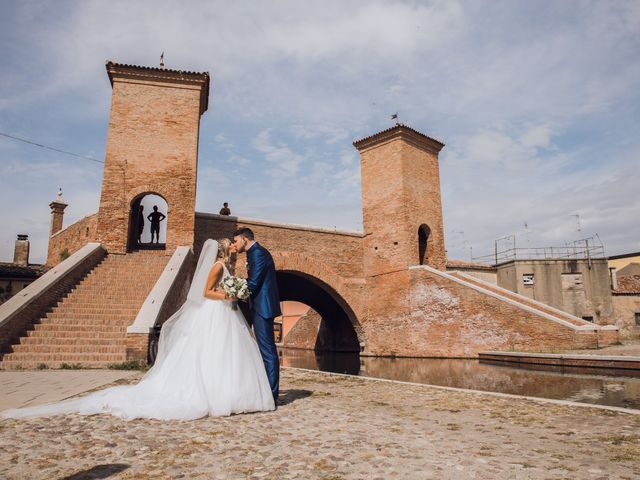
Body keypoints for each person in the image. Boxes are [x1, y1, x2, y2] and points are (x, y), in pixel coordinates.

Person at [1, 239, 275, 420]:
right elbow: (206, 292)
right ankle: (217, 393)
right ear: (222, 251)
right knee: (212, 351)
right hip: (217, 312)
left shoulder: (225, 266)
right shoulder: (217, 266)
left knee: (223, 354)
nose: (233, 250)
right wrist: (227, 296)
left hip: (225, 316)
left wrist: (231, 293)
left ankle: (229, 392)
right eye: (230, 247)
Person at [232, 227, 281, 402]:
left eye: (236, 241)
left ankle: (272, 395)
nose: (234, 244)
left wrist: (232, 293)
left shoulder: (258, 253)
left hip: (263, 307)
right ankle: (267, 390)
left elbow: (253, 283)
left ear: (245, 239)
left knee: (267, 351)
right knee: (263, 350)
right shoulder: (254, 253)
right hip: (258, 305)